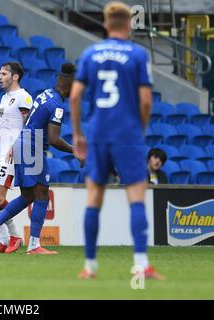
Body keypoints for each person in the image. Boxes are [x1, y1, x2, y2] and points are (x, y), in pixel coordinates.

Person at [70, 1, 164, 279]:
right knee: (136, 197)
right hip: (128, 133)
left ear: (106, 23)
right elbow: (146, 101)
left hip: (98, 133)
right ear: (129, 24)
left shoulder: (90, 53)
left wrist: (77, 133)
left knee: (93, 199)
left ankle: (89, 267)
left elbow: (75, 96)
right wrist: (141, 127)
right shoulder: (137, 54)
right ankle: (141, 264)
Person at [0, 63, 80, 255]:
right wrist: (74, 151)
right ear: (70, 84)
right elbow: (53, 138)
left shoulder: (44, 95)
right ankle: (33, 245)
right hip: (31, 147)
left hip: (22, 145)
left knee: (29, 195)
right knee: (41, 193)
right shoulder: (57, 105)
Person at [0, 62, 33, 254]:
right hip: (0, 153)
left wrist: (16, 146)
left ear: (15, 76)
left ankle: (15, 236)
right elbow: (1, 128)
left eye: (3, 74)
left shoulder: (24, 97)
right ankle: (4, 240)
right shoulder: (4, 98)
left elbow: (29, 127)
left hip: (12, 153)